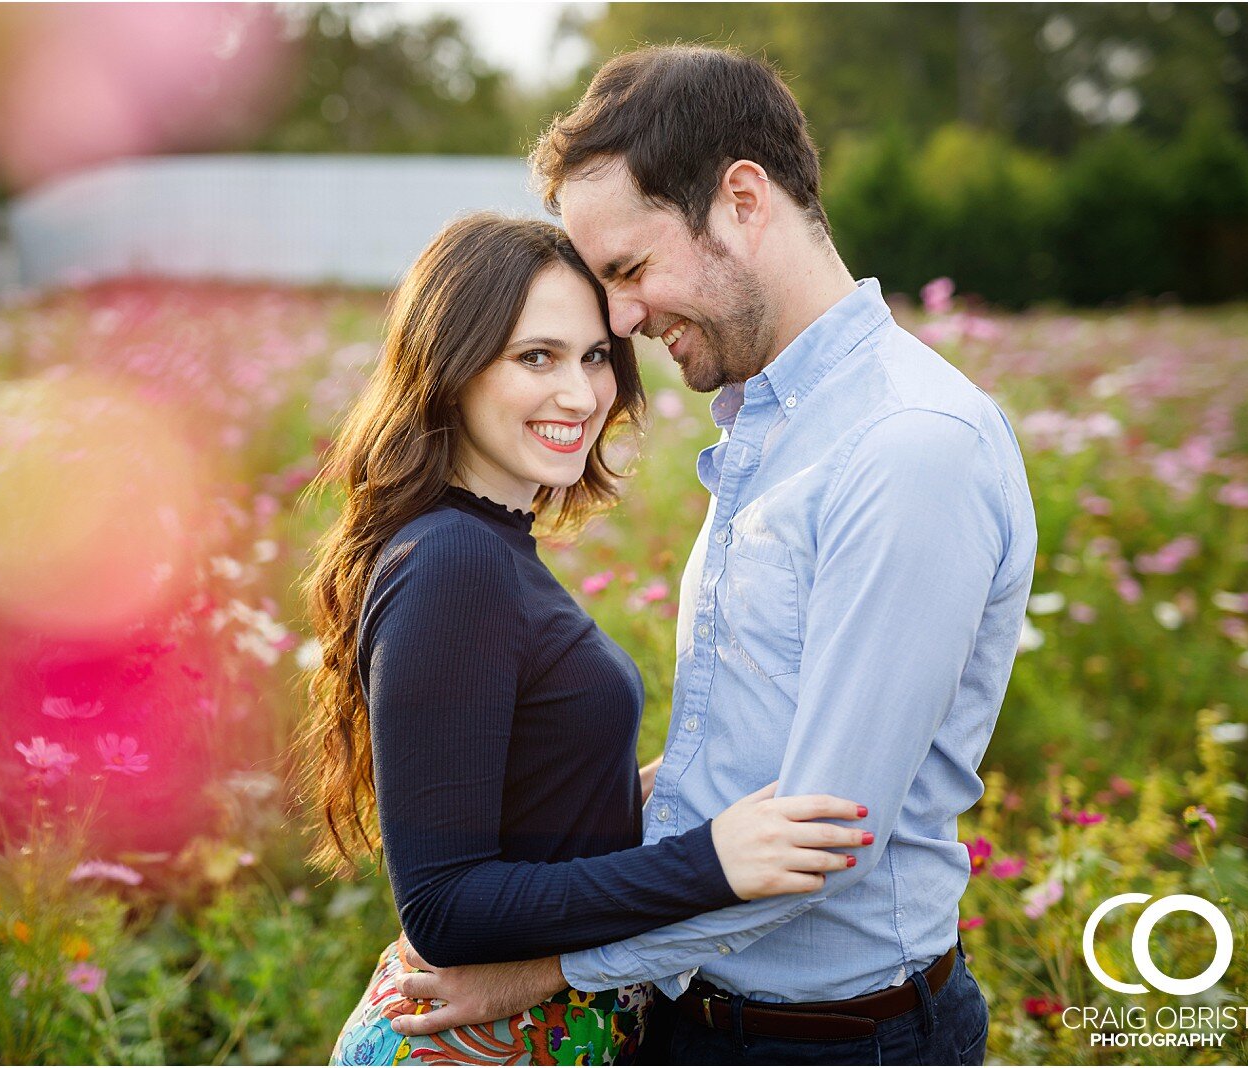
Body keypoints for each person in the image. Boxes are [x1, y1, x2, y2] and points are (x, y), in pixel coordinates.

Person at [385, 47, 1038, 1066]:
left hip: (832, 1042)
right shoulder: (771, 425)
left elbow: (822, 839)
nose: (621, 323)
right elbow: (737, 758)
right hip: (697, 1014)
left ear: (741, 200)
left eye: (629, 272)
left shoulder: (907, 446)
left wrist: (549, 969)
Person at [301, 212, 871, 1066]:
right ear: (450, 367)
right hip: (482, 1046)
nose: (580, 395)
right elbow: (446, 906)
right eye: (537, 357)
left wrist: (675, 789)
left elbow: (529, 802)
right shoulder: (454, 561)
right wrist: (711, 864)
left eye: (595, 355)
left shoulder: (486, 540)